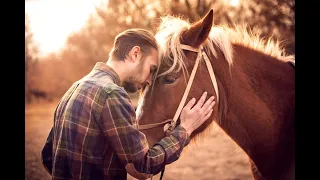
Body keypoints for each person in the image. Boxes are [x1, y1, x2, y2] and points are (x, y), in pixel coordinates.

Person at [41, 28, 216, 180]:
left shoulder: (74, 88)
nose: (149, 80)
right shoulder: (112, 94)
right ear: (135, 54)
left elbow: (48, 156)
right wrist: (184, 129)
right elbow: (144, 166)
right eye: (152, 69)